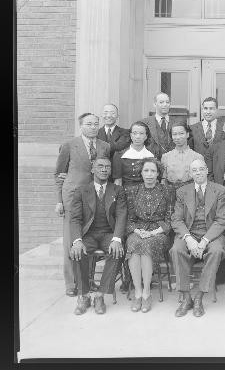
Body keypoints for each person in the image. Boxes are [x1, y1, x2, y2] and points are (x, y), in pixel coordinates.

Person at [54, 113, 110, 296]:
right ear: (81, 126)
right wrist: (58, 201)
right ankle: (71, 284)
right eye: (89, 124)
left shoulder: (104, 146)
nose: (93, 127)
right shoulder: (69, 146)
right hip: (72, 197)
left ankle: (88, 281)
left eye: (95, 124)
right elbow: (59, 174)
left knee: (89, 237)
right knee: (72, 241)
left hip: (94, 198)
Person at [68, 158, 127, 315]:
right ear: (92, 169)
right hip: (89, 234)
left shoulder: (117, 190)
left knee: (118, 251)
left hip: (109, 233)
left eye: (107, 167)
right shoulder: (81, 191)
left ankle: (100, 295)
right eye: (100, 166)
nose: (104, 169)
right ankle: (84, 295)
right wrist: (77, 240)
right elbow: (75, 219)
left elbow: (121, 216)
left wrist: (116, 239)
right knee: (76, 251)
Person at [171, 159, 225, 317]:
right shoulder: (182, 191)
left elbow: (221, 220)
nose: (198, 173)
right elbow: (176, 219)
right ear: (190, 173)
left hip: (212, 233)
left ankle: (199, 297)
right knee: (176, 249)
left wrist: (204, 241)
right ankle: (187, 297)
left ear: (207, 170)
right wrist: (189, 239)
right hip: (189, 232)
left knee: (216, 251)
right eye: (195, 170)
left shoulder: (220, 190)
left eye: (201, 169)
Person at [125, 157, 175, 313]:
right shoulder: (133, 190)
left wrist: (153, 232)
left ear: (158, 173)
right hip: (139, 229)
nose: (149, 174)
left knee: (146, 245)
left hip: (159, 231)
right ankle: (137, 292)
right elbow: (130, 219)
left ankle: (146, 293)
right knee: (133, 244)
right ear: (141, 173)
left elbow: (170, 219)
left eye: (153, 171)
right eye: (146, 170)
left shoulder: (167, 190)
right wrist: (136, 230)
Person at [161, 122, 204, 191]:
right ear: (171, 136)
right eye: (174, 134)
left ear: (187, 134)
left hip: (191, 193)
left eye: (181, 133)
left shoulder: (197, 157)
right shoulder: (165, 157)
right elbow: (163, 180)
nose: (178, 137)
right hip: (170, 193)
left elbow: (201, 181)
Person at [112, 121, 155, 188]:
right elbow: (118, 181)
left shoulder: (152, 155)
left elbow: (155, 181)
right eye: (135, 133)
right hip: (126, 193)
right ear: (131, 135)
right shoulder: (119, 155)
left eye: (141, 133)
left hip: (147, 193)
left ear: (146, 136)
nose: (138, 137)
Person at [141, 92, 174, 160]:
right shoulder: (144, 124)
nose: (165, 105)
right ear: (154, 104)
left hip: (172, 164)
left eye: (167, 102)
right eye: (161, 102)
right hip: (151, 163)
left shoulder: (178, 123)